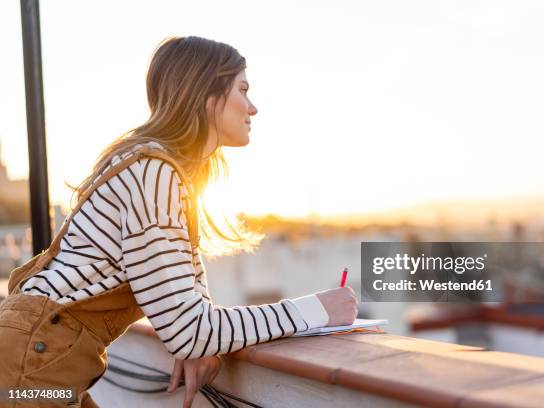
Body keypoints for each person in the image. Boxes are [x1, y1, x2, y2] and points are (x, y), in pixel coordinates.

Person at [0, 36, 358, 408]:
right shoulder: (154, 172)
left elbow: (189, 300)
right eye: (243, 89)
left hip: (38, 358)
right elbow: (190, 332)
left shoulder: (158, 170)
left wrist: (202, 342)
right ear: (206, 94)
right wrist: (317, 310)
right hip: (34, 363)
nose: (253, 108)